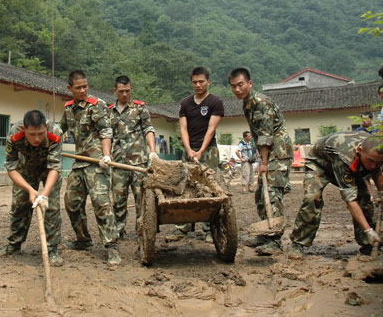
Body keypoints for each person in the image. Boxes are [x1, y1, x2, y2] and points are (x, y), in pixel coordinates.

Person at [59, 70, 122, 265]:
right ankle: (83, 239)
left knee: (101, 204)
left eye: (85, 86)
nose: (83, 90)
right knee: (71, 202)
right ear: (70, 88)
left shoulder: (97, 105)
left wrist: (106, 155)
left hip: (96, 162)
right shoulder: (69, 109)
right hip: (79, 162)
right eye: (78, 88)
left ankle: (112, 247)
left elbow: (105, 130)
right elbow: (59, 130)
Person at [229, 67, 293, 256]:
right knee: (260, 196)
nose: (237, 89)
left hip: (277, 152)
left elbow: (265, 135)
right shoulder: (247, 103)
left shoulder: (260, 102)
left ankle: (275, 240)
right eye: (233, 87)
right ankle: (267, 233)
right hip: (268, 152)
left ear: (250, 83)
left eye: (240, 85)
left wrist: (263, 163)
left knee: (272, 193)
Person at [288, 132, 383, 259]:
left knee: (364, 200)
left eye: (378, 163)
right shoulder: (344, 156)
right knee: (312, 197)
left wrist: (381, 193)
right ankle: (298, 242)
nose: (373, 166)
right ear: (360, 150)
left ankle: (369, 245)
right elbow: (350, 200)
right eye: (370, 161)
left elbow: (376, 170)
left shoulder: (374, 150)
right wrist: (368, 230)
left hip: (353, 164)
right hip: (320, 165)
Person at [0, 110, 64, 266]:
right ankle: (13, 245)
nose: (36, 138)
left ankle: (52, 250)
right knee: (19, 204)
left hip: (49, 170)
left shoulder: (55, 132)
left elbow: (55, 168)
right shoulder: (14, 134)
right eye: (31, 134)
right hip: (26, 168)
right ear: (23, 129)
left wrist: (44, 195)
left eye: (40, 133)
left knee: (52, 207)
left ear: (46, 127)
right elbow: (11, 167)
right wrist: (30, 190)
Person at [170, 67, 224, 241]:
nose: (198, 85)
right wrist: (188, 150)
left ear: (208, 82)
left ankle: (209, 229)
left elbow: (211, 129)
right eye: (195, 82)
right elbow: (183, 129)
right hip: (189, 151)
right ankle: (183, 227)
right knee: (185, 187)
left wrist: (200, 151)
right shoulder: (185, 103)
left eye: (201, 81)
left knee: (208, 187)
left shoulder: (215, 102)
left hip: (208, 151)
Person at [108, 76, 157, 239]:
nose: (124, 94)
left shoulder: (140, 109)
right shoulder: (109, 112)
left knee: (141, 198)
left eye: (127, 91)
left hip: (138, 163)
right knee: (118, 200)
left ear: (131, 89)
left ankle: (142, 229)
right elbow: (105, 135)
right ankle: (119, 230)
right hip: (118, 163)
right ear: (115, 91)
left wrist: (152, 151)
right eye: (121, 91)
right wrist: (106, 155)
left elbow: (148, 129)